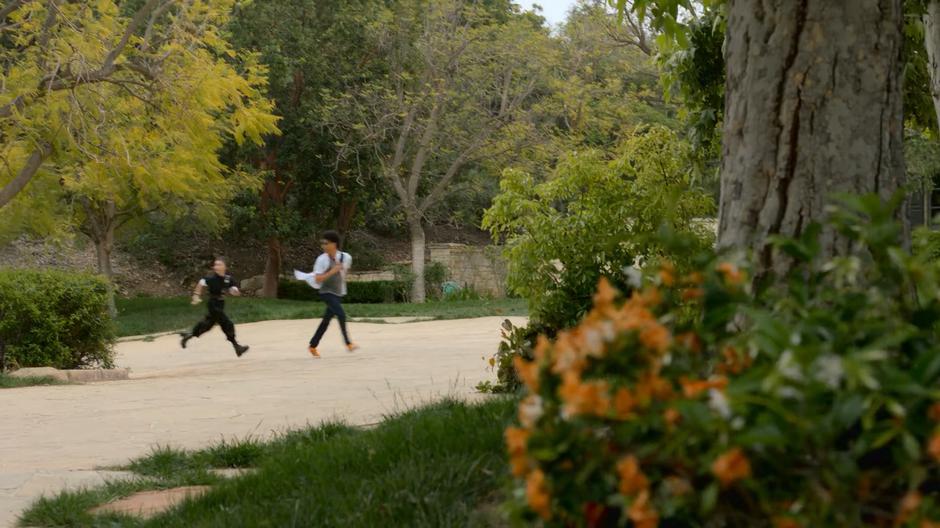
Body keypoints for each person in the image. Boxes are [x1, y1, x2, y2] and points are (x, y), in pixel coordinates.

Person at [180, 257, 249, 357]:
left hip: (220, 304)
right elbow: (201, 282)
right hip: (213, 304)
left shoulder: (228, 279)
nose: (216, 266)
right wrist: (196, 295)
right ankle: (237, 347)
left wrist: (235, 292)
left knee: (207, 325)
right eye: (215, 265)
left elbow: (233, 290)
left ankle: (188, 335)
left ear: (225, 266)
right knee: (227, 323)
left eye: (219, 264)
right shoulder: (212, 278)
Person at [308, 230, 357, 358]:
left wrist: (339, 274)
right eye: (322, 243)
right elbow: (318, 279)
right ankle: (348, 343)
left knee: (326, 321)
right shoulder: (321, 260)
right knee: (341, 314)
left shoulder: (346, 257)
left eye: (326, 243)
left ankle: (313, 345)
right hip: (326, 292)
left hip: (338, 293)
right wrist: (332, 271)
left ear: (334, 244)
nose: (323, 245)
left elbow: (345, 273)